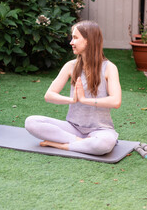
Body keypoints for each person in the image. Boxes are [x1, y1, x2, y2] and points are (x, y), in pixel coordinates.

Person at [25, 20, 121, 155]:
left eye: (75, 38)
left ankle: (62, 145)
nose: (71, 42)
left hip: (100, 130)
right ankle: (78, 141)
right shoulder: (71, 66)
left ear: (88, 41)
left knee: (103, 144)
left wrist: (84, 100)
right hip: (72, 128)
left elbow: (115, 101)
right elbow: (49, 95)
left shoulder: (109, 68)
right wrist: (72, 99)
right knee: (31, 122)